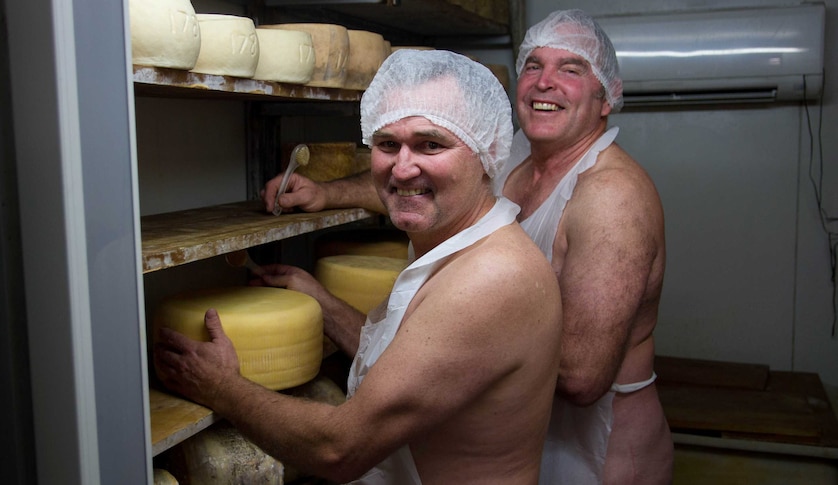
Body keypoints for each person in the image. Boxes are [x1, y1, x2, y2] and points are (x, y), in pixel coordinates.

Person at [261, 9, 673, 485]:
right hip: (512, 436)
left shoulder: (611, 196)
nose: (545, 82)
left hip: (597, 452)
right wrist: (328, 193)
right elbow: (427, 178)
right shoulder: (518, 158)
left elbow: (580, 376)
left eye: (571, 69)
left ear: (607, 98)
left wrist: (451, 324)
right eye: (534, 65)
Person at [154, 49, 563, 485]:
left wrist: (222, 388)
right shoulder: (455, 244)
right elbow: (407, 362)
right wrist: (322, 303)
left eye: (431, 144)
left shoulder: (490, 278)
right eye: (387, 144)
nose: (403, 168)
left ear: (489, 150)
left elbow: (339, 448)